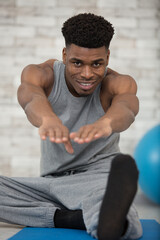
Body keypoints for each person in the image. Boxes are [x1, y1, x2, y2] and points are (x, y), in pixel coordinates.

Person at [0, 13, 142, 240]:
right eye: (77, 63)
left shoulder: (117, 82)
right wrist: (48, 119)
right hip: (50, 185)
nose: (87, 74)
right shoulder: (41, 74)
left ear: (107, 56)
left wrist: (106, 122)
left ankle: (111, 223)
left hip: (97, 178)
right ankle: (72, 218)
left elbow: (127, 106)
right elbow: (30, 96)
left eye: (97, 64)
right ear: (65, 55)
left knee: (107, 201)